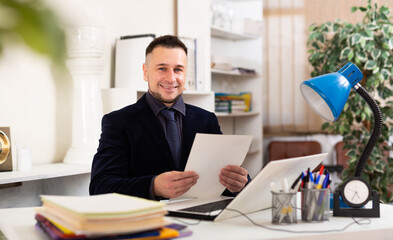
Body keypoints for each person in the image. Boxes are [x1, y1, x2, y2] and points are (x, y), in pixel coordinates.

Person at [89, 35, 249, 200]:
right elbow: (100, 187)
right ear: (145, 72)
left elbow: (223, 183)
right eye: (162, 68)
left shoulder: (206, 120)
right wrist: (153, 186)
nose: (171, 78)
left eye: (178, 69)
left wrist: (239, 184)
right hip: (149, 219)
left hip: (201, 219)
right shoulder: (118, 122)